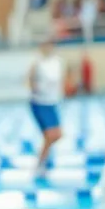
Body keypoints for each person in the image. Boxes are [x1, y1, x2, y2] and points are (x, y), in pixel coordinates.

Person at [28, 41, 70, 174]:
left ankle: (42, 157)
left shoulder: (57, 62)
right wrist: (34, 87)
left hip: (52, 102)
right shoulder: (37, 62)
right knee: (52, 134)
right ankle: (41, 161)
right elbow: (29, 78)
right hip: (40, 103)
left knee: (55, 135)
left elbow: (64, 77)